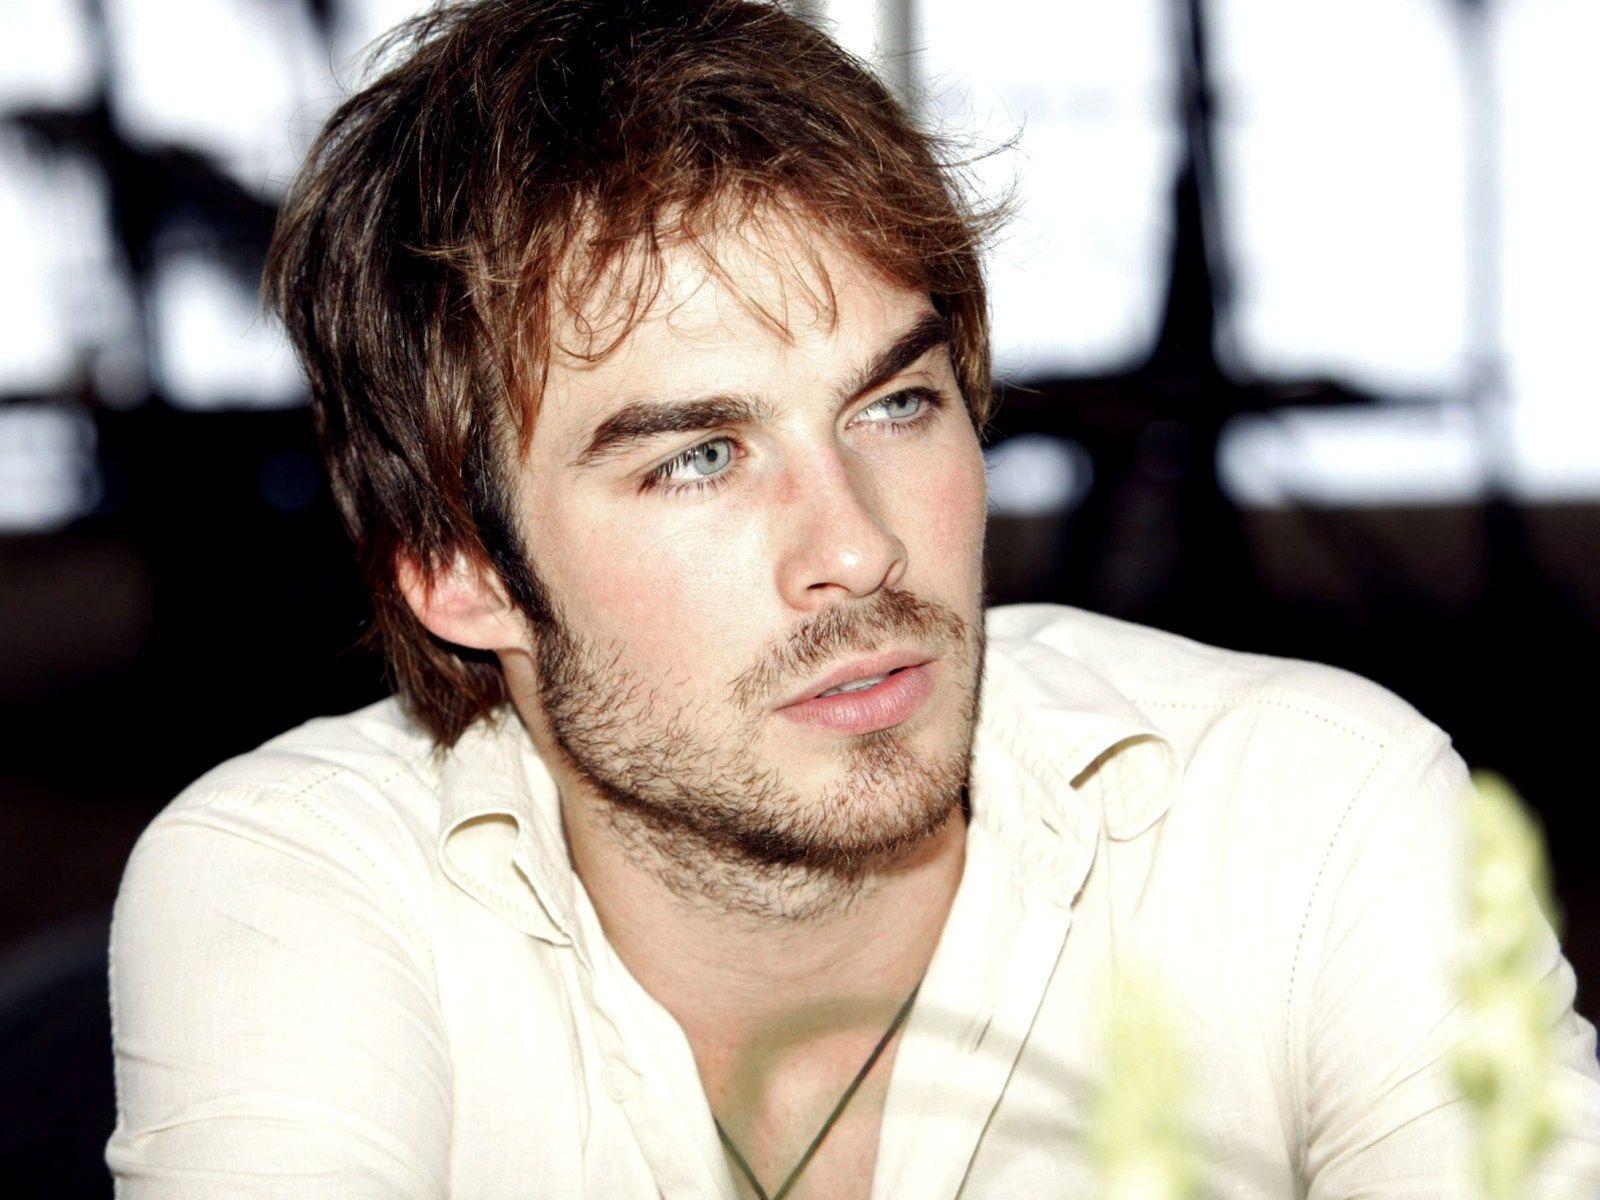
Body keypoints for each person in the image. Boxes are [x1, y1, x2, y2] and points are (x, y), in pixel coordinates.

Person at [104, 1, 1600, 1196]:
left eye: (895, 406)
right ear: (460, 567)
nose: (861, 548)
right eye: (699, 457)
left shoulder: (1314, 820)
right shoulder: (302, 889)